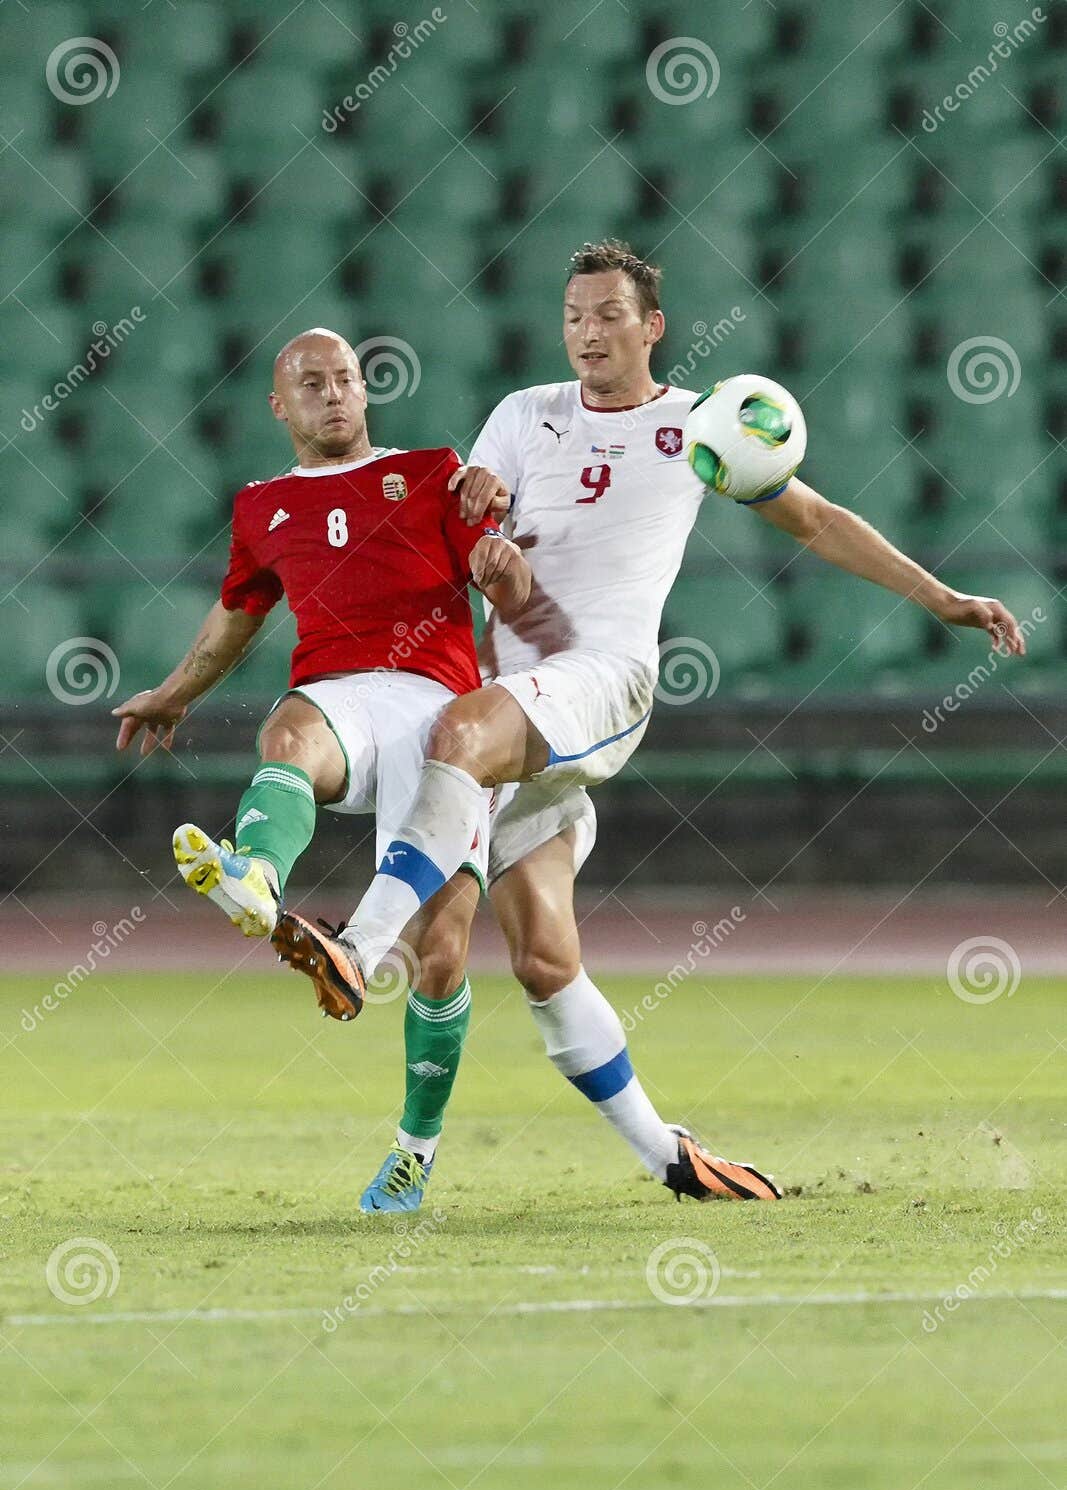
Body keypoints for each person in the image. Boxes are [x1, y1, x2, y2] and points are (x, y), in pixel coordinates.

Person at [274, 240, 1026, 1208]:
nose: (587, 332)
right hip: (505, 696)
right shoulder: (522, 414)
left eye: (608, 316)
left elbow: (814, 519)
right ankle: (661, 1154)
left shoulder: (696, 428)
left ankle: (353, 944)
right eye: (574, 316)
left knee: (451, 737)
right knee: (519, 957)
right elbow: (474, 526)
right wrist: (482, 514)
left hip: (595, 681)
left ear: (651, 326)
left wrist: (938, 597)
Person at [111, 327, 529, 1212]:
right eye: (312, 382)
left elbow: (502, 566)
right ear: (279, 404)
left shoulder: (433, 473)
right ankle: (257, 878)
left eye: (346, 378)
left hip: (443, 711)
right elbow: (237, 618)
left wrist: (501, 559)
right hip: (342, 698)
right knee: (289, 732)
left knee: (441, 960)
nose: (334, 393)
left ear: (365, 392)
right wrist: (174, 692)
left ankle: (414, 1151)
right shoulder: (260, 507)